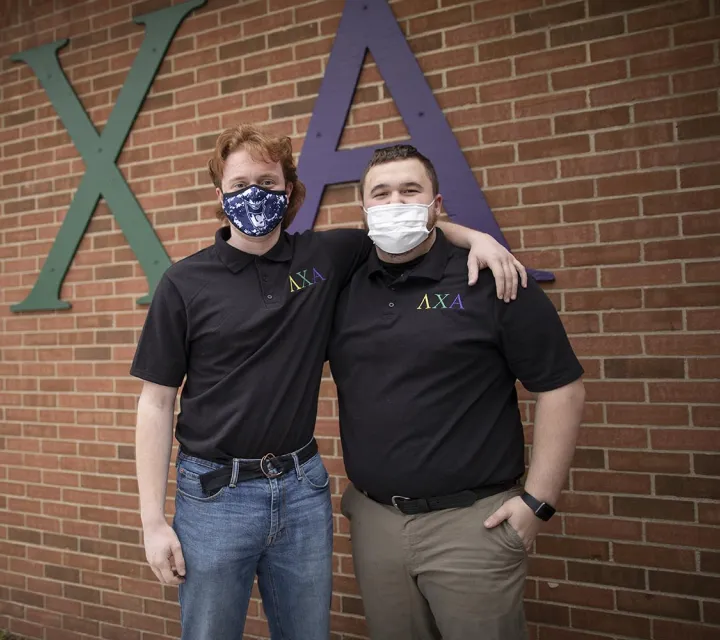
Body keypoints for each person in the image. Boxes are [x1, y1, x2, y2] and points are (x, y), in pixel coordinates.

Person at [130, 125, 527, 640]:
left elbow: (404, 227)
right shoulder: (183, 282)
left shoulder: (325, 257)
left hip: (301, 490)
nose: (255, 194)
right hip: (214, 497)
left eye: (269, 183)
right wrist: (152, 521)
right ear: (219, 195)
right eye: (240, 183)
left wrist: (478, 238)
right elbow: (156, 403)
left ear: (291, 191)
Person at [329, 144, 586, 640]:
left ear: (436, 204)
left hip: (474, 526)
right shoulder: (344, 283)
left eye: (410, 191)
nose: (395, 203)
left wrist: (538, 503)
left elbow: (562, 388)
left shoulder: (493, 279)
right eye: (380, 194)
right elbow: (286, 278)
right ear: (363, 210)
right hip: (375, 523)